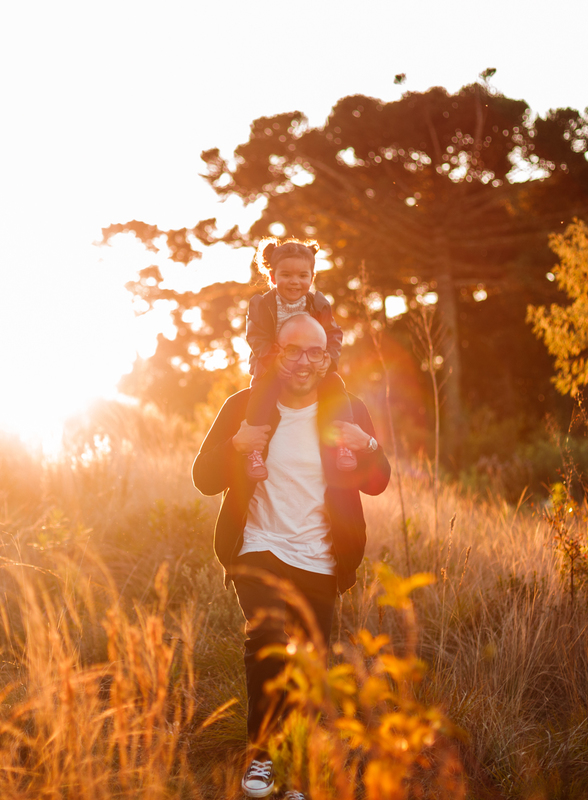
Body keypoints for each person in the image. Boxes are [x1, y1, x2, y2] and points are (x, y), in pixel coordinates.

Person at [192, 314, 391, 799]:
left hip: (320, 556)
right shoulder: (243, 406)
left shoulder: (349, 410)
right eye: (293, 351)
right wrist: (234, 445)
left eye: (314, 353)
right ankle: (260, 756)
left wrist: (367, 445)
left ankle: (296, 766)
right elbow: (204, 479)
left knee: (309, 665)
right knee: (267, 639)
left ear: (327, 358)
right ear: (275, 353)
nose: (304, 362)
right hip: (258, 544)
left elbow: (377, 482)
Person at [243, 239, 356, 482]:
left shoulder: (317, 303)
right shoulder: (262, 305)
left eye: (303, 275)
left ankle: (344, 443)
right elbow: (256, 337)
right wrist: (274, 361)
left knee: (335, 386)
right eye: (286, 275)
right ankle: (253, 452)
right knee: (260, 394)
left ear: (312, 276)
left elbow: (333, 334)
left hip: (311, 366)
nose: (295, 281)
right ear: (272, 277)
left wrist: (329, 361)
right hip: (271, 366)